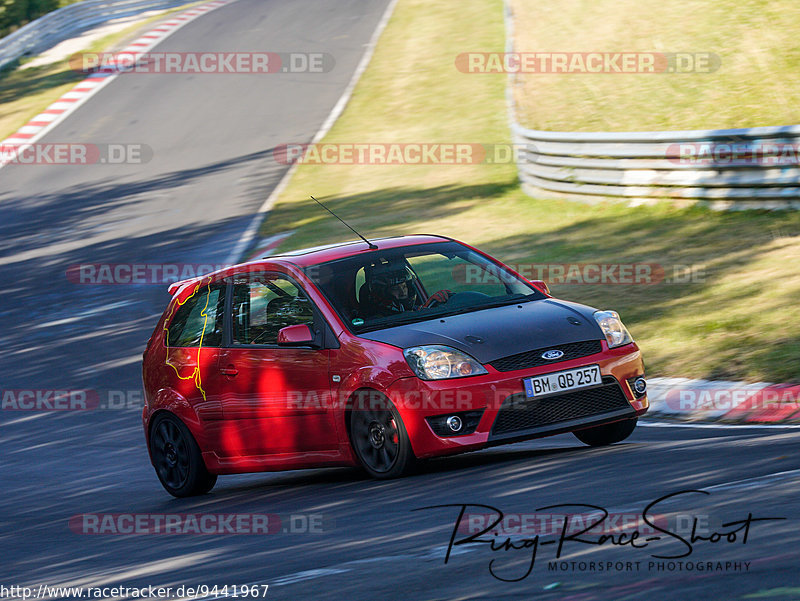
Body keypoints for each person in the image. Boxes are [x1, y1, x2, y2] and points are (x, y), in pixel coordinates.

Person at [361, 261, 452, 318]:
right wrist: (424, 311)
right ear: (381, 293)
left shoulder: (414, 309)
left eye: (404, 287)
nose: (403, 292)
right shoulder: (377, 321)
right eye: (396, 288)